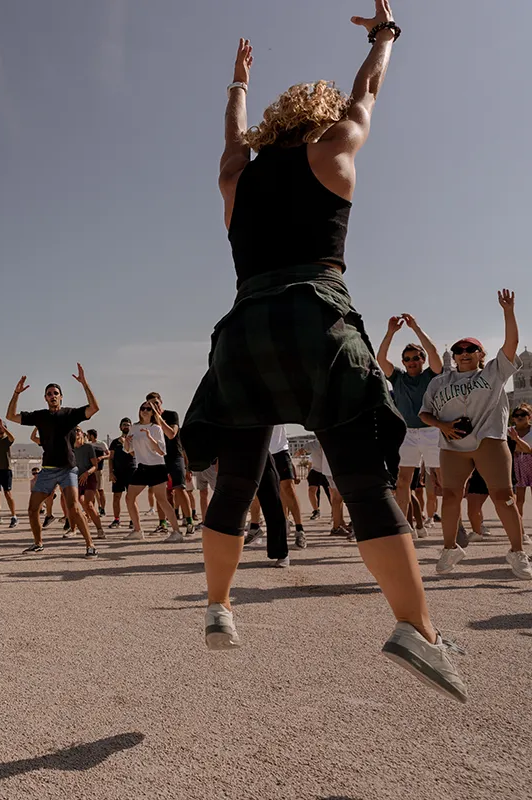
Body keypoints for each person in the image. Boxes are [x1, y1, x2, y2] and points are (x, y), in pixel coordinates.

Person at [181, 15, 467, 701]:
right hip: (316, 317)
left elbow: (229, 136)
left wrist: (239, 84)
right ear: (322, 115)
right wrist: (385, 36)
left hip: (245, 328)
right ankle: (418, 631)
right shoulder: (334, 146)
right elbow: (368, 91)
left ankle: (219, 606)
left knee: (234, 483)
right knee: (364, 485)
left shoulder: (235, 176)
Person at [420, 290, 529, 580]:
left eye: (471, 350)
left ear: (481, 355)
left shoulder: (493, 373)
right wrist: (442, 426)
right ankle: (449, 548)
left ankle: (518, 551)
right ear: (453, 357)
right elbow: (424, 413)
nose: (464, 354)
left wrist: (508, 311)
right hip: (453, 445)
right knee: (452, 495)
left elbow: (512, 344)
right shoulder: (439, 382)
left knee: (503, 495)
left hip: (488, 440)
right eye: (459, 351)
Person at [6, 366, 99, 559]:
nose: (52, 396)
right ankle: (38, 543)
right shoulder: (40, 415)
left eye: (56, 393)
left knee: (73, 508)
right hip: (47, 470)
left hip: (67, 469)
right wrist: (16, 393)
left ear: (61, 397)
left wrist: (84, 383)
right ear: (45, 398)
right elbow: (11, 416)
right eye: (49, 394)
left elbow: (94, 408)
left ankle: (90, 545)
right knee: (32, 509)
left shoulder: (70, 414)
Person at [377, 313, 445, 520]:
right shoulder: (398, 377)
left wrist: (415, 327)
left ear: (422, 360)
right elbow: (380, 359)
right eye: (407, 359)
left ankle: (454, 522)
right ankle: (405, 525)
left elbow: (433, 352)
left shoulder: (431, 375)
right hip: (407, 433)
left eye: (416, 357)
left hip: (432, 431)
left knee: (442, 478)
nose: (412, 361)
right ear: (403, 362)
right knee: (402, 481)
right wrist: (390, 333)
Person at [123, 402, 179, 541]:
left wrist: (149, 437)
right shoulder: (134, 428)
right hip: (142, 467)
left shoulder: (156, 428)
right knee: (129, 497)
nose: (145, 411)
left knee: (162, 500)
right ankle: (137, 530)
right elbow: (128, 450)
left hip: (157, 467)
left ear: (154, 412)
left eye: (149, 409)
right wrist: (127, 442)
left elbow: (161, 451)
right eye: (142, 408)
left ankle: (176, 532)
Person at [146, 392, 195, 535]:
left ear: (161, 402)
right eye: (150, 404)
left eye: (156, 402)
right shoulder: (149, 420)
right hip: (158, 458)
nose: (153, 406)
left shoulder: (172, 415)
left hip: (175, 456)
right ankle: (163, 523)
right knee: (161, 492)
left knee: (179, 488)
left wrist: (159, 417)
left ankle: (189, 521)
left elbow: (171, 434)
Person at [71, 428, 104, 539]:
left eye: (78, 430)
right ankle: (74, 529)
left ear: (82, 434)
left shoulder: (88, 447)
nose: (76, 432)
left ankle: (100, 530)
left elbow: (95, 466)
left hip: (89, 477)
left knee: (89, 504)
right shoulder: (70, 449)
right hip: (76, 479)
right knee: (77, 504)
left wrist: (86, 473)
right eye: (73, 431)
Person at [108, 418, 137, 529]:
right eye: (124, 425)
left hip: (131, 471)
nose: (126, 426)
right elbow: (111, 458)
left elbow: (134, 455)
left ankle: (133, 520)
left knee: (131, 497)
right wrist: (111, 472)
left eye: (128, 425)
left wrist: (126, 443)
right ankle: (116, 520)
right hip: (118, 473)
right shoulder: (115, 442)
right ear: (120, 427)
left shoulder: (134, 440)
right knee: (116, 497)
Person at [511, 404, 532, 541]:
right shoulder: (509, 431)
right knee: (519, 500)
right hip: (516, 465)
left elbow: (529, 450)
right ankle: (521, 532)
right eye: (516, 415)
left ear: (529, 417)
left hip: (530, 462)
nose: (519, 417)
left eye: (523, 415)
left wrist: (517, 441)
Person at [89, 430, 110, 516]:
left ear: (92, 436)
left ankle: (102, 508)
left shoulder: (101, 444)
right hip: (90, 470)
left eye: (89, 435)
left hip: (99, 469)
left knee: (100, 490)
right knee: (92, 490)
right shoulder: (88, 445)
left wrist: (102, 457)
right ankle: (94, 508)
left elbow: (109, 454)